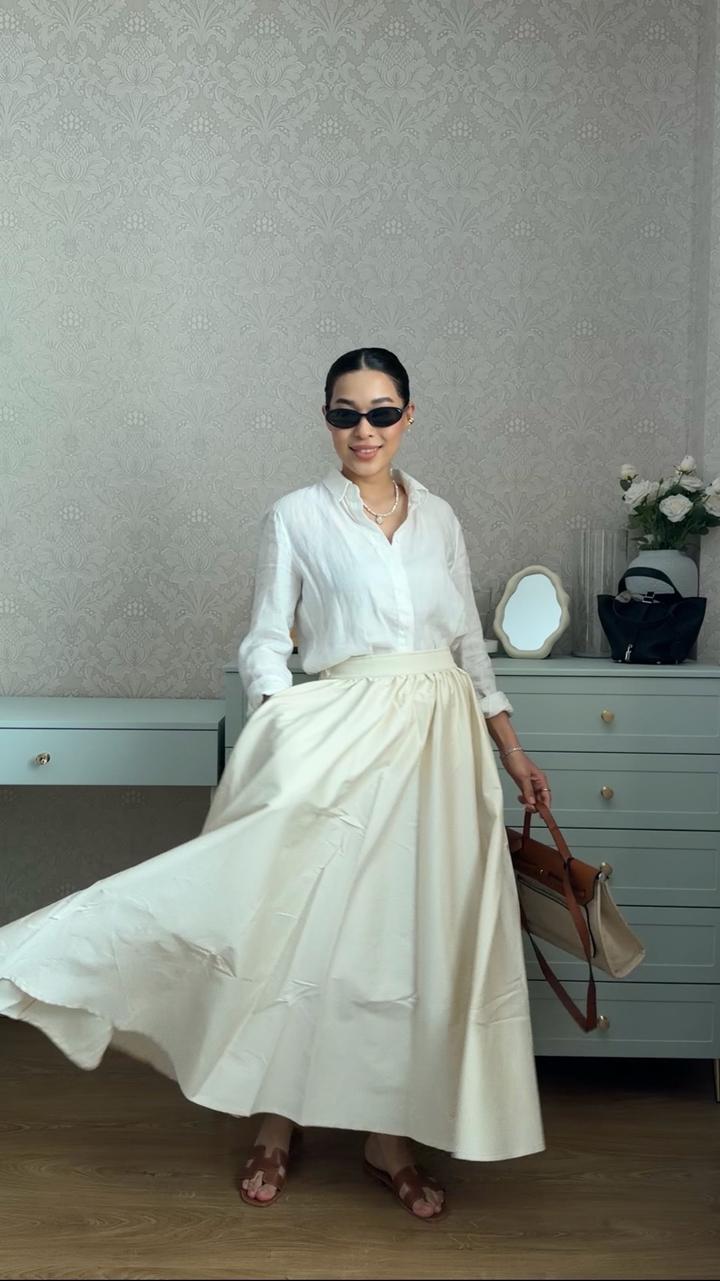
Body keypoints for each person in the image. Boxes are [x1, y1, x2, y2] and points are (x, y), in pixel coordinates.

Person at [0, 347, 550, 1221]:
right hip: (344, 737)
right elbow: (265, 639)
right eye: (345, 413)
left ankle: (388, 1136)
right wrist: (280, 721)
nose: (364, 430)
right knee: (304, 924)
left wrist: (510, 747)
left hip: (442, 749)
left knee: (407, 938)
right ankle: (275, 1115)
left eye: (381, 412)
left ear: (409, 416)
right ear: (326, 418)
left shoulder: (441, 518)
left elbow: (467, 646)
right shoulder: (296, 515)